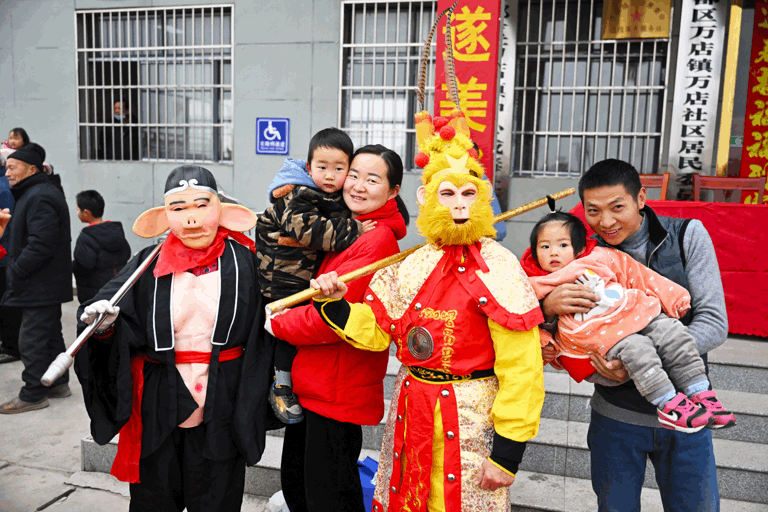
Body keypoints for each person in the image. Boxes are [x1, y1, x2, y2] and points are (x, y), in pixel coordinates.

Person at [303, 111, 545, 511]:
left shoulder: (500, 265)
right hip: (411, 407)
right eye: (447, 194)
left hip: (471, 415)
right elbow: (378, 330)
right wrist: (334, 302)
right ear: (426, 198)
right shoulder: (413, 262)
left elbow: (522, 367)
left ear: (483, 197)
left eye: (468, 194)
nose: (458, 205)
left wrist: (507, 453)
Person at [75, 165, 277, 511]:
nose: (191, 219)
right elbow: (107, 314)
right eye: (179, 208)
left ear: (222, 211)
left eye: (202, 205)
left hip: (224, 399)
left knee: (217, 497)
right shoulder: (146, 264)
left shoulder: (247, 263)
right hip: (159, 400)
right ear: (164, 216)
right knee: (155, 497)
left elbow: (271, 327)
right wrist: (103, 325)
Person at [542, 159, 729, 511]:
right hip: (616, 416)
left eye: (617, 207)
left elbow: (714, 321)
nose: (605, 222)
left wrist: (639, 360)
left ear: (640, 198)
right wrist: (547, 309)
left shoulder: (686, 235)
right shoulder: (581, 255)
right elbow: (567, 336)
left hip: (687, 414)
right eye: (593, 211)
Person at [265, 144, 408, 512]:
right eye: (353, 175)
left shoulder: (378, 240)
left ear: (393, 191)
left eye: (372, 179)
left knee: (327, 498)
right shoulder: (347, 228)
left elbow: (331, 320)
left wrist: (277, 321)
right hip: (315, 384)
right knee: (300, 489)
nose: (357, 186)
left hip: (337, 388)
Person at [521, 211, 735, 432]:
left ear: (580, 248)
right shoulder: (535, 283)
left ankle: (701, 392)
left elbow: (637, 274)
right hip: (602, 337)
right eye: (544, 246)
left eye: (563, 245)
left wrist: (674, 297)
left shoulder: (599, 257)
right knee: (637, 349)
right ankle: (668, 404)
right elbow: (526, 318)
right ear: (534, 252)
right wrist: (545, 337)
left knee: (673, 331)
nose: (553, 252)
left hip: (635, 312)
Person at [256, 127, 375, 424]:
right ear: (309, 168)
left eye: (339, 169)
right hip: (281, 278)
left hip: (302, 276)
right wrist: (354, 229)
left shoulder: (329, 196)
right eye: (322, 168)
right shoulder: (295, 194)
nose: (330, 176)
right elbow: (311, 231)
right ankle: (281, 386)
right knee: (285, 331)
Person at [0, 143, 73, 413]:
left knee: (30, 340)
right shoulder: (36, 191)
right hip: (45, 283)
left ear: (31, 169)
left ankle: (32, 394)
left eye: (12, 168)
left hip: (40, 283)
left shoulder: (40, 195)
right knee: (50, 336)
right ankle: (58, 383)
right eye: (6, 168)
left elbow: (41, 244)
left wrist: (15, 270)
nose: (7, 173)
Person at [73, 190, 132, 303]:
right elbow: (126, 254)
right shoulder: (115, 231)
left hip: (94, 296)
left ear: (86, 212)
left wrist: (71, 266)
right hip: (117, 291)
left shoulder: (86, 237)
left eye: (78, 210)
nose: (77, 213)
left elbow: (83, 265)